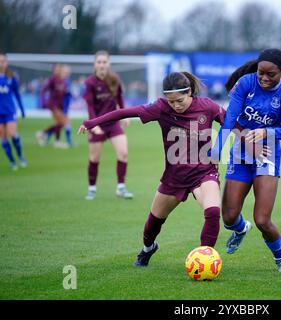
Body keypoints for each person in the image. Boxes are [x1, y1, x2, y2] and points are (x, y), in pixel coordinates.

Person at [78, 71, 225, 267]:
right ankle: (148, 248)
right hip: (174, 176)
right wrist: (93, 122)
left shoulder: (208, 107)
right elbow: (125, 112)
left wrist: (252, 140)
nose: (175, 105)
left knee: (213, 211)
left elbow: (233, 123)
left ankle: (205, 260)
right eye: (171, 102)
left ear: (189, 92)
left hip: (204, 173)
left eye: (179, 100)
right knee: (153, 224)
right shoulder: (160, 107)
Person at [211, 48, 281, 273]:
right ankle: (240, 230)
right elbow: (229, 119)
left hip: (267, 156)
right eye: (261, 72)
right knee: (229, 218)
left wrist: (266, 132)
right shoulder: (245, 84)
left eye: (271, 75)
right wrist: (215, 152)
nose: (264, 78)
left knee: (262, 219)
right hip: (240, 154)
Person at [82, 50, 133, 200]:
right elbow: (90, 107)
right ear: (95, 64)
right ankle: (92, 188)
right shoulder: (90, 83)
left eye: (104, 62)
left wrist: (125, 115)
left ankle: (121, 188)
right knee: (94, 158)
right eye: (99, 62)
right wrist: (93, 125)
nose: (102, 65)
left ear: (108, 63)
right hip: (97, 123)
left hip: (113, 123)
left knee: (123, 153)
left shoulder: (114, 79)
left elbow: (120, 99)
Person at [0, 53, 27, 170]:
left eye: (3, 61)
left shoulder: (11, 77)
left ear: (6, 63)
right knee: (3, 138)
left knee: (13, 134)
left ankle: (20, 156)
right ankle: (12, 161)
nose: (1, 63)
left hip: (10, 111)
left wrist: (22, 109)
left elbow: (17, 94)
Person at [36, 63, 71, 148]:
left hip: (59, 105)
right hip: (53, 105)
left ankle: (44, 134)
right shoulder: (52, 79)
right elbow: (43, 90)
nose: (58, 70)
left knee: (61, 123)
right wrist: (43, 101)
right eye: (56, 69)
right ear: (53, 70)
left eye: (59, 69)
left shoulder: (62, 81)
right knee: (63, 122)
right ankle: (55, 140)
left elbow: (63, 93)